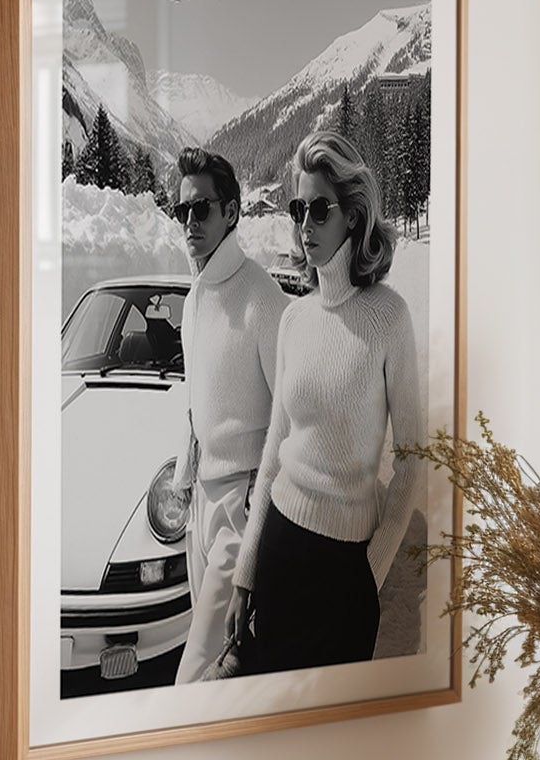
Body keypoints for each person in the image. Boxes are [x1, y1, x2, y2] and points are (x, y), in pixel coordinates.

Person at [228, 130, 420, 674]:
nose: (304, 226)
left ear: (353, 217)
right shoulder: (294, 318)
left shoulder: (389, 317)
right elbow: (275, 450)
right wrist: (246, 573)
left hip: (345, 570)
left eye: (319, 210)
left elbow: (412, 458)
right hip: (280, 550)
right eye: (298, 208)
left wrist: (372, 570)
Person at [169, 147, 287, 683]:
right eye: (182, 211)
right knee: (217, 666)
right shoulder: (194, 297)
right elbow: (198, 399)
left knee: (193, 674)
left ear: (232, 213)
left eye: (202, 209)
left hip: (241, 508)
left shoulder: (263, 299)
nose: (190, 222)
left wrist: (260, 500)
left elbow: (293, 413)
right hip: (200, 502)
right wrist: (184, 474)